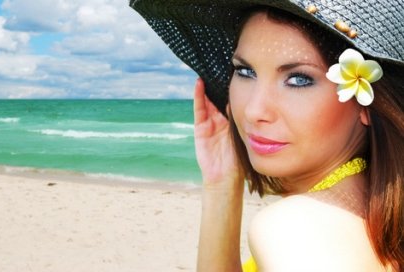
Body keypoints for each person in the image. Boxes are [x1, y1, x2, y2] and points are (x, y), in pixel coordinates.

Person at [129, 1, 403, 271]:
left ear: (368, 100)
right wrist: (221, 183)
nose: (253, 110)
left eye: (298, 79)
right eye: (245, 71)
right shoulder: (377, 213)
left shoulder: (296, 229)